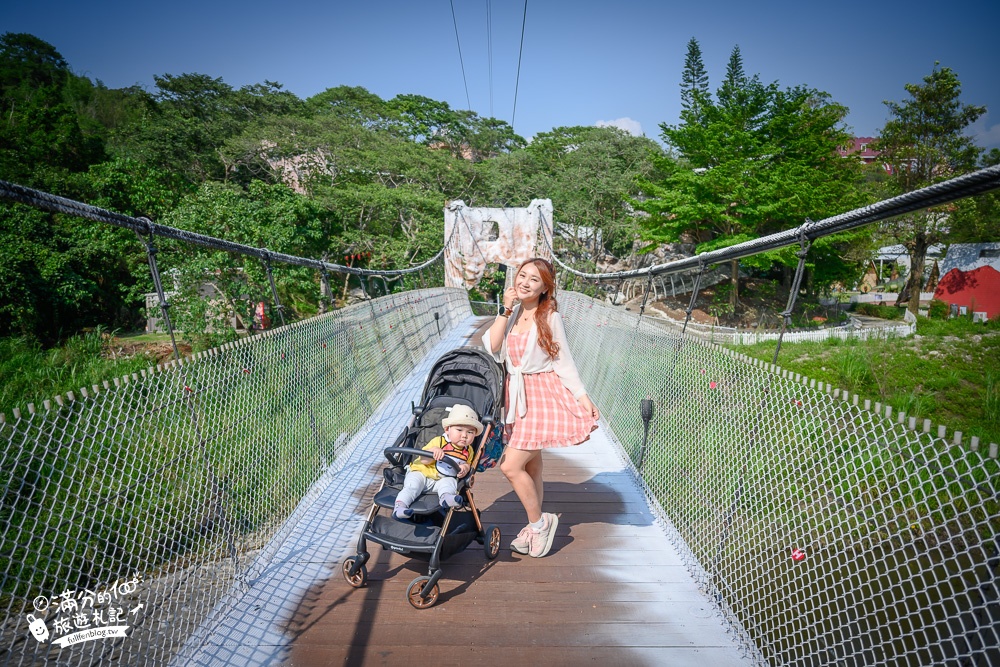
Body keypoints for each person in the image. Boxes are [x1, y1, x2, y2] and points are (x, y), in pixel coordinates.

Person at [483, 258, 600, 558]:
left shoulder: (550, 317)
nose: (525, 282)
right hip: (516, 397)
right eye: (522, 276)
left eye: (534, 280)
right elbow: (493, 346)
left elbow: (563, 361)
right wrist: (505, 309)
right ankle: (534, 528)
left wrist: (582, 397)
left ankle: (539, 523)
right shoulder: (513, 314)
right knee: (532, 465)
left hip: (541, 397)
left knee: (510, 465)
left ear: (545, 288)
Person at [393, 404, 482, 519]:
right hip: (422, 474)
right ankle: (400, 506)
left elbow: (467, 463)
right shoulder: (439, 441)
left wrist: (465, 468)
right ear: (447, 430)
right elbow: (423, 460)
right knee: (412, 486)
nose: (464, 435)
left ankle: (446, 498)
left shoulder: (468, 450)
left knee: (450, 482)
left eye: (470, 432)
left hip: (441, 481)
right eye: (459, 430)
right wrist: (433, 452)